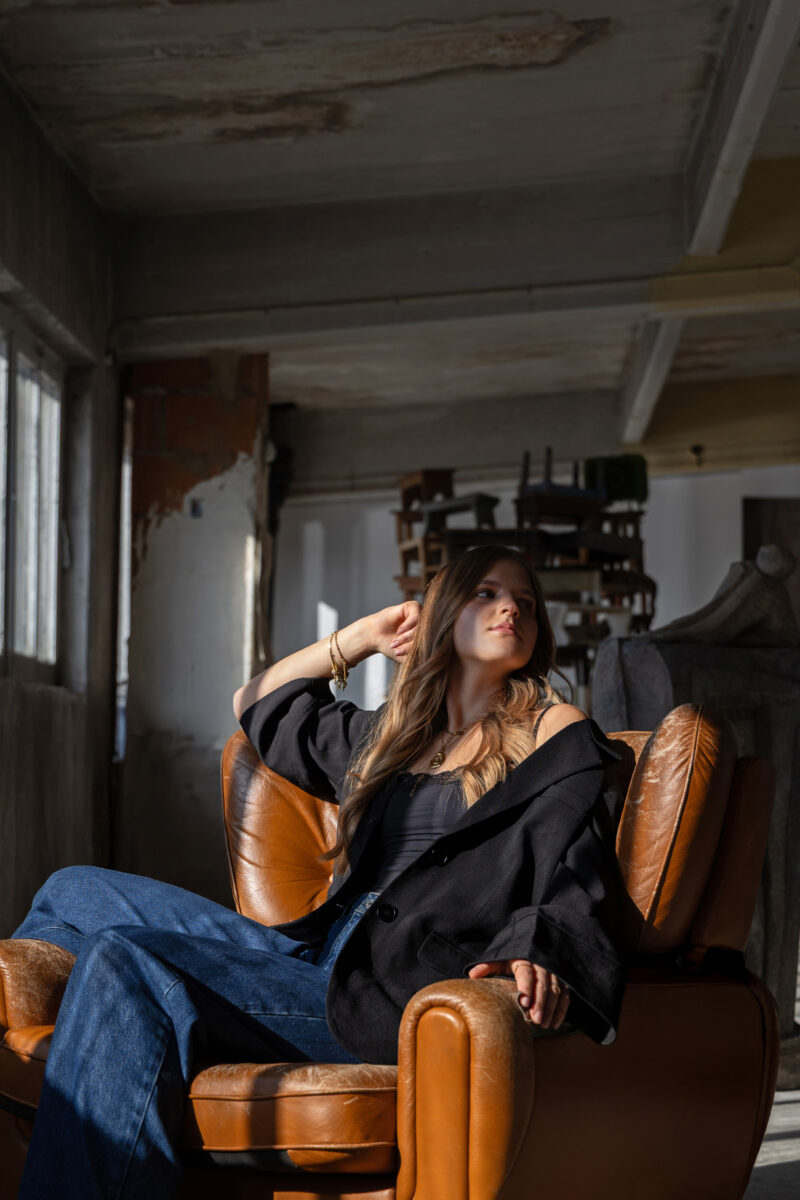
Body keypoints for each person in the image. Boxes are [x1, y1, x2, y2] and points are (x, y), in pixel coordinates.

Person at [12, 544, 625, 1200]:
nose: (512, 609)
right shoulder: (393, 738)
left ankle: (113, 1051)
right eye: (487, 593)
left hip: (391, 990)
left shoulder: (551, 733)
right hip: (315, 954)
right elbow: (254, 700)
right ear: (443, 612)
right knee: (72, 890)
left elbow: (578, 860)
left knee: (124, 958)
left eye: (526, 602)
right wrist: (359, 638)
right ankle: (99, 1053)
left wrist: (538, 950)